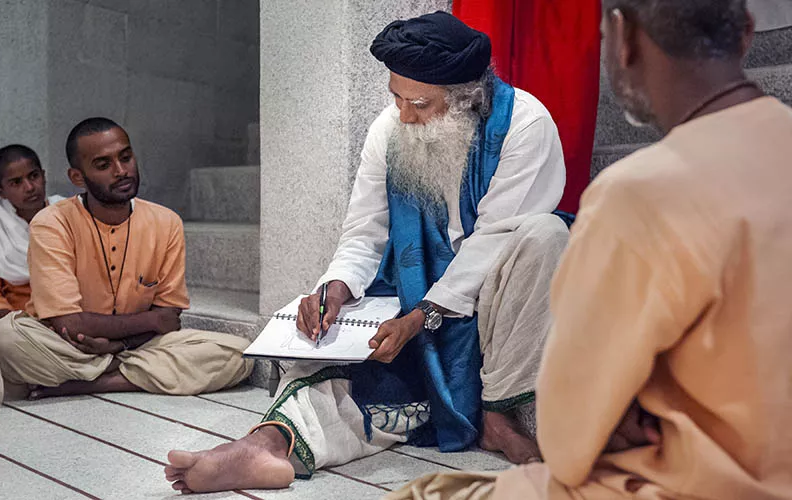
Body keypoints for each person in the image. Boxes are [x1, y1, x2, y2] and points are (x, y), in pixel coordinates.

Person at [388, 1, 792, 499]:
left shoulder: (635, 194)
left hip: (704, 483)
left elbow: (570, 437)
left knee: (427, 494)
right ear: (748, 33)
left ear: (620, 37)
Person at [165, 11, 570, 494]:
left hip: (497, 299)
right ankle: (267, 445)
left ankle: (499, 413)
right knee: (333, 346)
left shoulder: (525, 124)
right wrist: (335, 287)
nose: (403, 116)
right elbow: (365, 230)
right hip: (411, 287)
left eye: (419, 104)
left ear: (467, 99)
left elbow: (494, 242)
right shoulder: (391, 129)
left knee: (545, 235)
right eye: (396, 98)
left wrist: (420, 318)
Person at [0, 118, 254, 401]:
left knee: (240, 354)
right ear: (78, 177)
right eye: (103, 165)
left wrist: (119, 344)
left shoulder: (166, 222)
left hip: (137, 345)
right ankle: (124, 374)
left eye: (126, 157)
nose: (121, 171)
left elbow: (168, 318)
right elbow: (71, 324)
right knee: (7, 335)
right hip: (65, 344)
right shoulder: (52, 223)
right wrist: (149, 322)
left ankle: (94, 382)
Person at [0, 145, 63, 321]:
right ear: (1, 192)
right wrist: (19, 325)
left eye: (34, 176)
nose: (30, 187)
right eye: (16, 182)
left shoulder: (68, 214)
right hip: (16, 319)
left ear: (44, 176)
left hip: (71, 313)